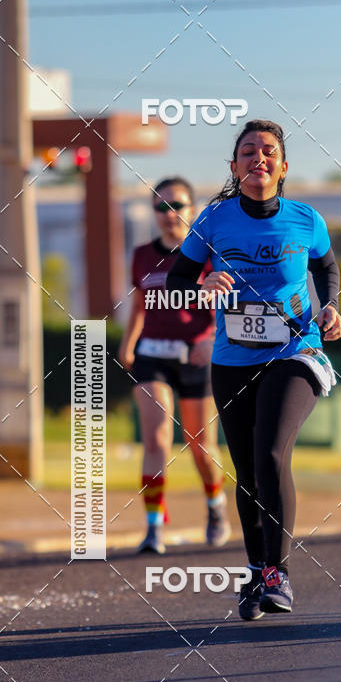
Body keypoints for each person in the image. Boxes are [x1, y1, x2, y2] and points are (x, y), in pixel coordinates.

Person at [166, 119, 341, 619]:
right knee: (246, 472)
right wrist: (203, 283)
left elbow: (326, 268)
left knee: (269, 451)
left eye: (268, 152)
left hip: (295, 351)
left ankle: (278, 574)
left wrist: (330, 306)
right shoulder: (214, 219)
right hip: (232, 359)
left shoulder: (306, 219)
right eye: (248, 152)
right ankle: (256, 571)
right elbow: (175, 279)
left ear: (283, 167)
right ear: (234, 166)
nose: (258, 158)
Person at [118, 177, 231, 554]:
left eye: (177, 205)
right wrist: (128, 343)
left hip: (196, 357)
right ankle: (154, 527)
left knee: (201, 446)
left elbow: (230, 301)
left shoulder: (208, 252)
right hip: (152, 355)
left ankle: (216, 507)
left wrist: (211, 339)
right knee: (157, 437)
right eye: (160, 207)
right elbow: (139, 304)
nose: (169, 215)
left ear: (193, 210)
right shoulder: (141, 255)